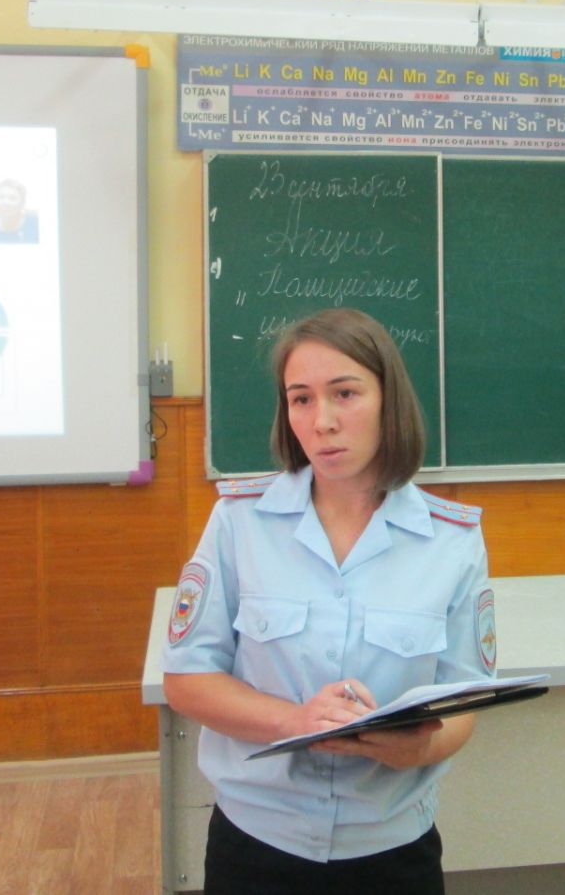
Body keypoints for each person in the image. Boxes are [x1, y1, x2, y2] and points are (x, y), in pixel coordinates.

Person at [162, 308, 495, 894]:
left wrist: (414, 747)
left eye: (345, 393)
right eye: (301, 399)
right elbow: (187, 679)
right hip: (257, 847)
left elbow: (463, 700)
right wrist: (293, 721)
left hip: (391, 851)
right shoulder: (239, 522)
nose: (322, 421)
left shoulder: (452, 540)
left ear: (389, 400)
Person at [0, 177, 39, 243]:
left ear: (22, 203)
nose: (6, 203)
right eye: (1, 197)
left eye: (12, 198)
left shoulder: (35, 225)